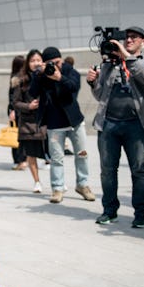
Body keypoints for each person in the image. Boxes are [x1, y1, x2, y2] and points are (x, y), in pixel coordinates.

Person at [87, 26, 144, 228]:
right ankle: (109, 211)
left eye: (134, 37)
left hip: (136, 124)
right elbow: (100, 96)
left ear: (143, 41)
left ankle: (140, 213)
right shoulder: (109, 64)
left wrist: (125, 56)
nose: (129, 40)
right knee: (107, 170)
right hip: (109, 123)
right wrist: (93, 82)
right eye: (126, 38)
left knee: (138, 170)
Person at [29, 46, 95, 204]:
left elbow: (74, 87)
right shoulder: (42, 74)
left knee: (82, 155)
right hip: (54, 123)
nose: (55, 66)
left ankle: (83, 185)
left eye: (57, 62)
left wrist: (59, 77)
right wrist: (38, 75)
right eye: (51, 63)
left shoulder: (69, 70)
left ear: (61, 59)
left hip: (74, 121)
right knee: (57, 159)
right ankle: (57, 188)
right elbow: (32, 92)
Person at [11, 50, 47, 192]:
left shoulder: (48, 76)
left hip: (46, 121)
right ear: (28, 63)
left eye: (38, 60)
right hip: (29, 124)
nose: (36, 63)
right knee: (31, 154)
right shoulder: (22, 80)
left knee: (53, 154)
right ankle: (37, 181)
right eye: (32, 60)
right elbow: (15, 102)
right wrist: (29, 106)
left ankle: (58, 182)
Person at [7, 56, 28, 170]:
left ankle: (19, 160)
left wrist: (12, 110)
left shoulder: (15, 78)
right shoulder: (23, 77)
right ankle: (22, 160)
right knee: (21, 136)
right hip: (22, 110)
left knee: (15, 136)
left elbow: (12, 98)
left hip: (16, 111)